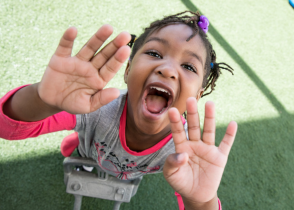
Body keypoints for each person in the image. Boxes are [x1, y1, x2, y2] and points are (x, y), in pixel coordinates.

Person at [0, 11, 237, 210]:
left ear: (196, 95)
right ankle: (81, 152)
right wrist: (43, 100)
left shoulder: (185, 151)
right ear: (128, 70)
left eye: (188, 66)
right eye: (154, 53)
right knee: (75, 150)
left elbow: (197, 196)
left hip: (134, 170)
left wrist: (201, 201)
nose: (168, 70)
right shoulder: (94, 107)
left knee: (130, 172)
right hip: (92, 150)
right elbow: (7, 128)